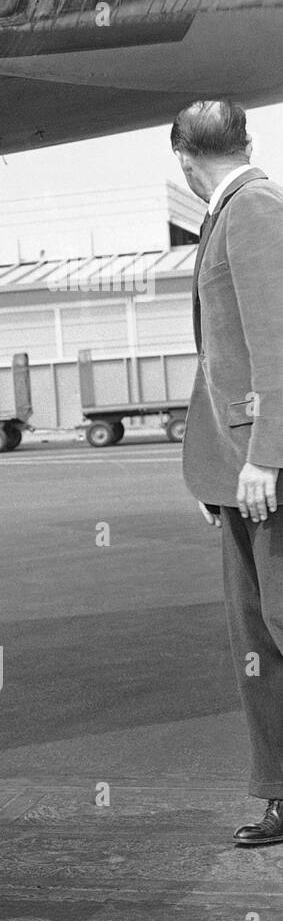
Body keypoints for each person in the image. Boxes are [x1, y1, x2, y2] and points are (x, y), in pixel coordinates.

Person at [174, 99, 283, 847]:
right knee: (258, 642)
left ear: (182, 157)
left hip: (263, 472)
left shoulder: (253, 209)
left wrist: (264, 456)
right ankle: (278, 792)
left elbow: (277, 343)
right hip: (235, 473)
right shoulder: (236, 209)